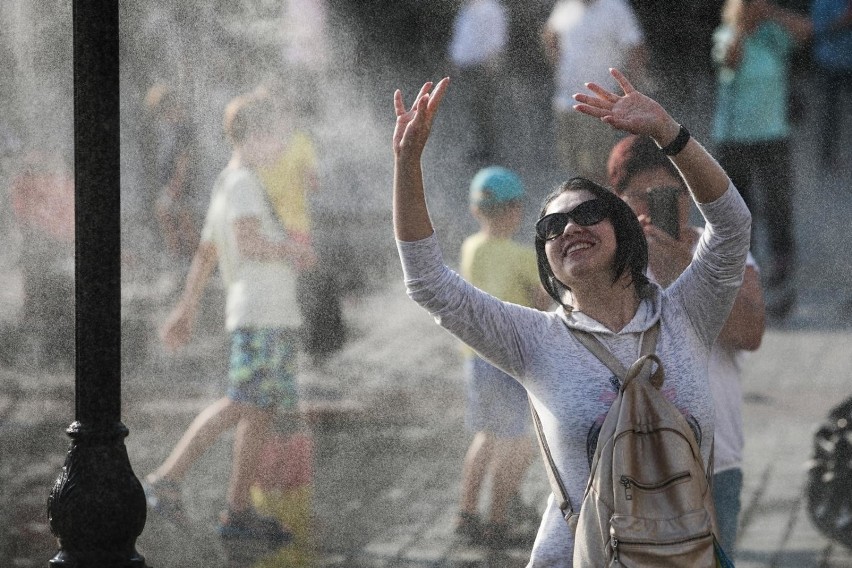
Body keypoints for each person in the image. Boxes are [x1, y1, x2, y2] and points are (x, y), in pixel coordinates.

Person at [392, 68, 751, 563]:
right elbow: (428, 282)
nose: (568, 228)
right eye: (551, 225)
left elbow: (732, 226)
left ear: (623, 228)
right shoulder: (533, 340)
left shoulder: (687, 313)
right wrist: (407, 163)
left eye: (586, 214)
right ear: (546, 256)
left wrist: (669, 133)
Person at [142, 89, 315, 543]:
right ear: (254, 136)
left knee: (257, 411)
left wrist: (186, 308)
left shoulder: (230, 182)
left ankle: (237, 513)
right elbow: (248, 242)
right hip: (262, 314)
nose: (281, 144)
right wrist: (294, 250)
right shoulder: (241, 184)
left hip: (264, 314)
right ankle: (167, 477)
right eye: (276, 135)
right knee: (242, 402)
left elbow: (206, 253)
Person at [607, 133, 766, 557]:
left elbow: (751, 332)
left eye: (675, 192)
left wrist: (683, 269)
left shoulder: (719, 250)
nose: (664, 203)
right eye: (647, 195)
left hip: (715, 458)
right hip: (633, 464)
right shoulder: (604, 265)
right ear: (617, 199)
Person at [453, 166, 548, 549]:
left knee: (486, 435)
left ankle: (466, 512)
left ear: (476, 211)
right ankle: (497, 520)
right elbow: (543, 300)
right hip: (509, 362)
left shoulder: (470, 247)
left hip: (477, 358)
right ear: (516, 211)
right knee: (518, 443)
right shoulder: (521, 255)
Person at [711, 0, 811, 313]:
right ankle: (742, 268)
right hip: (734, 136)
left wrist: (771, 12)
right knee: (739, 206)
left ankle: (782, 266)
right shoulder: (726, 33)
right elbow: (729, 61)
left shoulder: (773, 34)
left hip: (772, 132)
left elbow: (807, 32)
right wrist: (742, 24)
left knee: (778, 201)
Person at [541, 0, 647, 184]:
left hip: (599, 102)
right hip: (566, 100)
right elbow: (550, 33)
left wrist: (627, 93)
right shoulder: (566, 6)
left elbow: (636, 49)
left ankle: (605, 208)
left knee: (601, 166)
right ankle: (584, 206)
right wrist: (559, 65)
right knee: (574, 165)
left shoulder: (615, 8)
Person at [143, 84, 202, 269]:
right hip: (170, 182)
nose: (163, 116)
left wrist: (176, 184)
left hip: (180, 183)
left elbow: (184, 159)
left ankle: (193, 262)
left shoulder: (183, 128)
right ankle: (181, 260)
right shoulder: (166, 127)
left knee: (183, 219)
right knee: (171, 217)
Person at [448, 0, 508, 165]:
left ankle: (490, 151)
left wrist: (492, 62)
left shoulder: (490, 8)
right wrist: (455, 60)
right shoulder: (466, 9)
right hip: (467, 68)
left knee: (485, 109)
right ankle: (481, 148)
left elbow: (497, 38)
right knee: (474, 109)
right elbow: (461, 38)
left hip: (482, 68)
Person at [811, 0, 852, 169]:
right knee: (831, 113)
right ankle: (828, 157)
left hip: (849, 61)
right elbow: (814, 28)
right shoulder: (824, 2)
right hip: (831, 62)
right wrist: (844, 20)